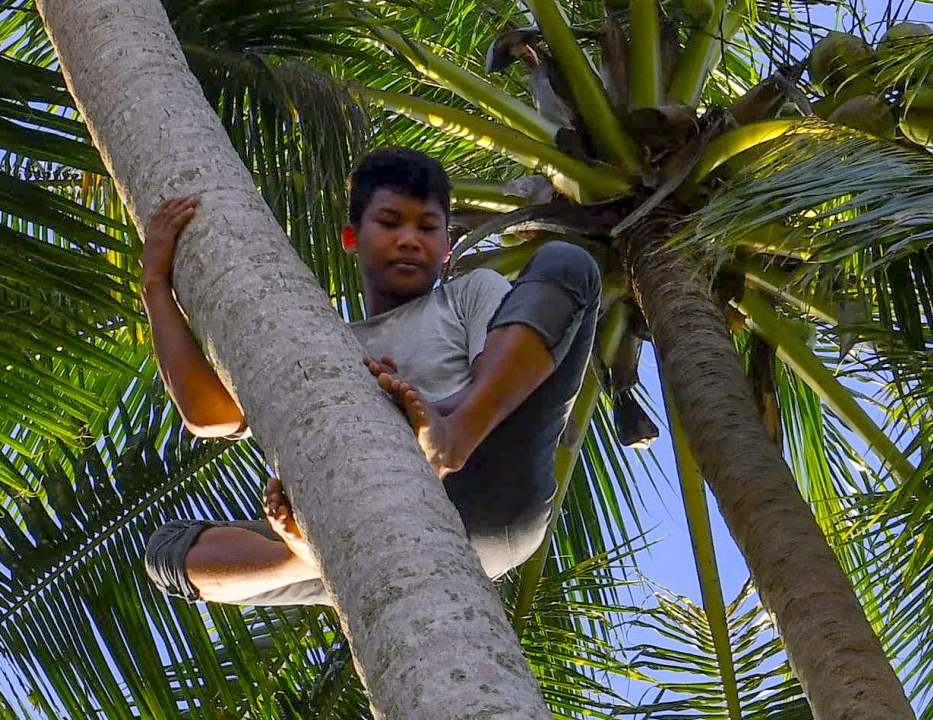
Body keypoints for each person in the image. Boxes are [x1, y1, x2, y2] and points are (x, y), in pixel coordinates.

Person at [140, 146, 603, 607]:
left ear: (446, 248)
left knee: (568, 262)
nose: (409, 239)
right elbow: (210, 417)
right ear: (351, 238)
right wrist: (156, 286)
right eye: (389, 223)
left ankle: (453, 437)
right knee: (168, 551)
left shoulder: (466, 295)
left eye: (427, 228)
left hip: (487, 489)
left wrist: (427, 414)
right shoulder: (318, 350)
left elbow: (500, 378)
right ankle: (306, 559)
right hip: (367, 523)